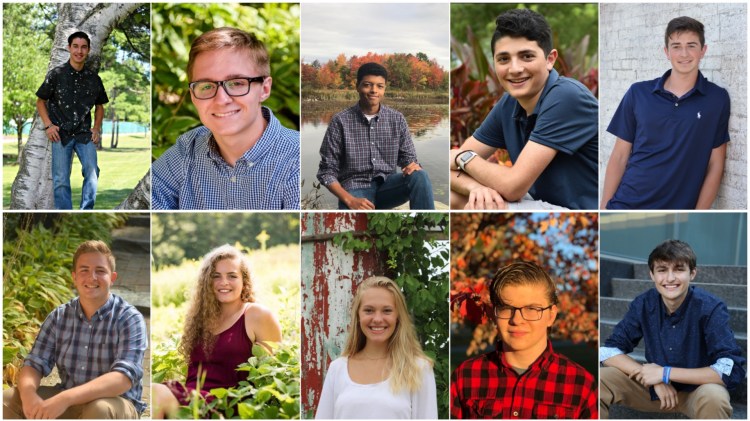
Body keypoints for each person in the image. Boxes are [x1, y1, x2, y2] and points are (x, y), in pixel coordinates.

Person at [449, 9, 598, 210]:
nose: (515, 69)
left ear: (550, 59)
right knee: (463, 197)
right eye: (503, 59)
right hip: (543, 205)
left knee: (480, 205)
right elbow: (448, 167)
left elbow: (513, 186)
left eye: (526, 56)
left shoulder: (567, 97)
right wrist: (475, 187)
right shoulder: (509, 103)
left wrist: (462, 157)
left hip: (579, 213)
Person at [151, 27, 300, 210]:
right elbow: (143, 203)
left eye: (237, 83)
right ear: (192, 95)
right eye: (206, 86)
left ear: (264, 89)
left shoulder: (298, 161)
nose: (221, 99)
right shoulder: (186, 150)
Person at [600, 240, 744, 419]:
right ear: (652, 275)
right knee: (598, 379)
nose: (669, 278)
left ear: (692, 273)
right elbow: (608, 352)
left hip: (698, 392)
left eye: (678, 269)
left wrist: (664, 373)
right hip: (652, 392)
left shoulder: (710, 307)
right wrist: (652, 378)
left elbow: (730, 370)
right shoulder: (644, 303)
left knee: (715, 397)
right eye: (662, 270)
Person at [3, 240, 147, 419]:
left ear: (113, 278)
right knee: (6, 400)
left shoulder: (129, 318)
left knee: (100, 409)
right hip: (68, 399)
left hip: (116, 403)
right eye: (84, 270)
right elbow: (34, 364)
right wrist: (29, 396)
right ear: (74, 277)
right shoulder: (59, 317)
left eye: (100, 271)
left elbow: (123, 379)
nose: (92, 277)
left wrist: (64, 399)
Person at [601, 17, 729, 209]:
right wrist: (604, 208)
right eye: (676, 46)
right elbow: (619, 156)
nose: (684, 53)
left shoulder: (717, 99)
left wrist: (699, 212)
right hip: (627, 202)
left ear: (703, 50)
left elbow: (716, 164)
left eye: (691, 45)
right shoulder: (638, 93)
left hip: (677, 208)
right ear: (666, 52)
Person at [451, 261, 598, 419]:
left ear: (551, 315)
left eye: (531, 309)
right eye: (507, 308)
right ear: (494, 313)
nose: (517, 320)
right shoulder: (465, 376)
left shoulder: (581, 385)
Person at [152, 244, 282, 418]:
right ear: (207, 282)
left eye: (232, 276)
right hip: (192, 401)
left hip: (227, 405)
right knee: (156, 393)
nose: (224, 282)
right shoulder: (200, 318)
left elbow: (270, 376)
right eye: (216, 276)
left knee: (156, 392)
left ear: (244, 281)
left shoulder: (256, 315)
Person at [317, 63, 435, 210]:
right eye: (367, 85)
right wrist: (349, 200)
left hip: (389, 185)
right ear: (358, 86)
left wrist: (411, 165)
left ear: (384, 89)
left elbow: (408, 158)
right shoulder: (340, 121)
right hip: (355, 188)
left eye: (380, 86)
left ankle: (424, 230)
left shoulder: (397, 119)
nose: (374, 90)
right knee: (352, 215)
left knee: (420, 176)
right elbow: (326, 171)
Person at [315, 276, 437, 419]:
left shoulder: (418, 369)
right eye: (369, 310)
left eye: (387, 311)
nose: (378, 319)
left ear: (398, 316)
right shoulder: (337, 369)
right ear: (358, 315)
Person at [36, 31, 108, 210]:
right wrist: (48, 126)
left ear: (89, 50)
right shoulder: (56, 74)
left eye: (83, 47)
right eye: (75, 46)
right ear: (69, 48)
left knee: (92, 171)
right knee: (61, 180)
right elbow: (40, 101)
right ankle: (64, 212)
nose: (79, 51)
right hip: (60, 134)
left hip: (84, 134)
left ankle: (86, 210)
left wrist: (96, 128)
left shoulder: (94, 79)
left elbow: (100, 106)